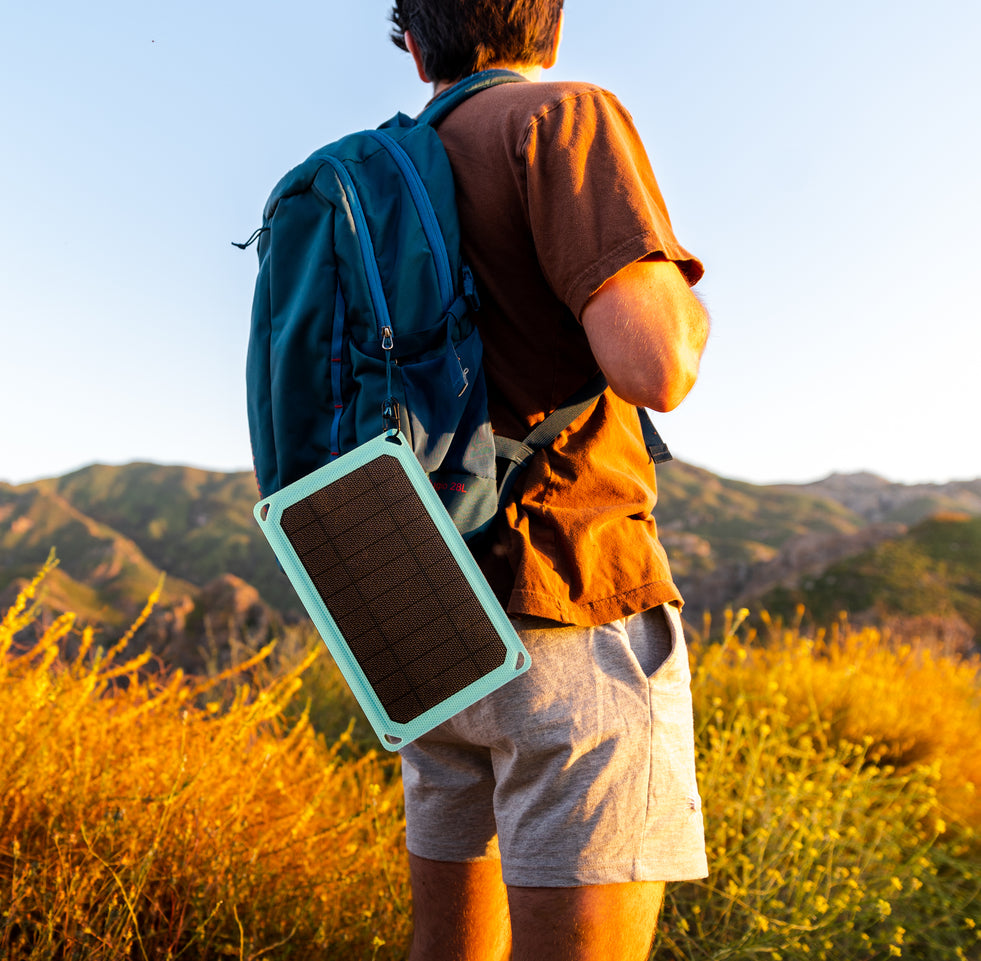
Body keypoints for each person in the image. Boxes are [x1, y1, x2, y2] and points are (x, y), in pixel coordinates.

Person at [386, 2, 711, 959]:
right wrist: (681, 302)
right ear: (548, 26)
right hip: (563, 588)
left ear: (414, 49)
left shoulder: (381, 179)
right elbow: (656, 365)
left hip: (417, 611)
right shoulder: (561, 116)